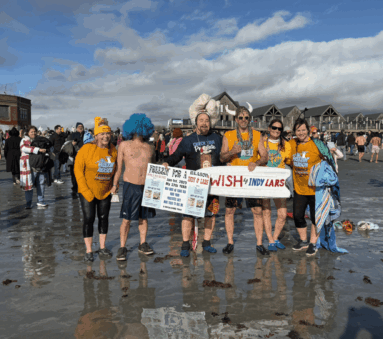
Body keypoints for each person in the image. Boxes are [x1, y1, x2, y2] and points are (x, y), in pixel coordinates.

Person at [164, 94, 223, 257]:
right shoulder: (188, 140)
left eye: (207, 120)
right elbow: (176, 156)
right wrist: (167, 163)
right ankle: (185, 244)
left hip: (213, 185)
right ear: (196, 122)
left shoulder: (217, 138)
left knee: (211, 215)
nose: (204, 123)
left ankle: (207, 242)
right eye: (201, 120)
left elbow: (224, 158)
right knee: (188, 215)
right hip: (193, 185)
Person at [220, 103, 268, 255]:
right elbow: (221, 157)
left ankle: (259, 244)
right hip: (234, 179)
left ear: (250, 119)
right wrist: (232, 152)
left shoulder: (258, 135)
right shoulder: (228, 135)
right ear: (236, 119)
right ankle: (230, 242)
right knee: (230, 210)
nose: (243, 120)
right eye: (240, 117)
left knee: (257, 210)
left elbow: (265, 156)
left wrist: (257, 162)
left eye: (246, 118)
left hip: (252, 178)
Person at [112, 113, 156, 261]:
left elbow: (154, 168)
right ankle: (122, 247)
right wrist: (114, 184)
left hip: (147, 186)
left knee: (144, 217)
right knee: (127, 219)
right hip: (130, 185)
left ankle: (142, 243)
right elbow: (119, 167)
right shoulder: (124, 145)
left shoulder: (150, 147)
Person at [74, 117, 117, 262]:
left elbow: (116, 169)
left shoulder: (113, 150)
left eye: (108, 134)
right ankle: (89, 250)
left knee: (104, 218)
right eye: (102, 134)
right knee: (89, 218)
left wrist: (114, 185)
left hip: (105, 191)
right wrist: (85, 190)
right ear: (96, 136)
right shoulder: (86, 149)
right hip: (87, 190)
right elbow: (78, 170)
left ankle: (102, 247)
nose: (105, 136)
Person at [289, 119, 324, 256]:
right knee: (297, 215)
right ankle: (303, 241)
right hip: (299, 188)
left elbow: (327, 160)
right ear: (295, 132)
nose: (301, 133)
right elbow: (284, 158)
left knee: (315, 218)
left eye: (303, 130)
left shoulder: (316, 144)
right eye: (298, 130)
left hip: (316, 189)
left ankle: (313, 243)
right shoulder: (292, 143)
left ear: (308, 130)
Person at [261, 119, 291, 252]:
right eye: (274, 128)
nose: (277, 131)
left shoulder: (286, 144)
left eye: (279, 129)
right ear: (269, 128)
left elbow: (290, 161)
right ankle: (270, 240)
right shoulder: (261, 142)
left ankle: (275, 237)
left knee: (282, 214)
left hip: (279, 183)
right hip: (264, 181)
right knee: (266, 211)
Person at [20, 126, 49, 209]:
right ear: (28, 133)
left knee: (41, 183)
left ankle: (40, 201)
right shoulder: (24, 140)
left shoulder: (39, 139)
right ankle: (28, 203)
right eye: (31, 132)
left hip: (40, 165)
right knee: (29, 185)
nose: (33, 133)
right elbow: (24, 148)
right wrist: (38, 149)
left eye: (34, 131)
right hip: (29, 166)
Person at [68, 122, 85, 195]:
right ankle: (75, 187)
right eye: (79, 126)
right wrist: (73, 143)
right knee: (74, 173)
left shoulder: (86, 134)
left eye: (81, 126)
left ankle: (82, 187)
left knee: (83, 172)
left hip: (84, 156)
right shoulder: (73, 134)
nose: (80, 128)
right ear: (76, 127)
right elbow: (68, 143)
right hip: (74, 156)